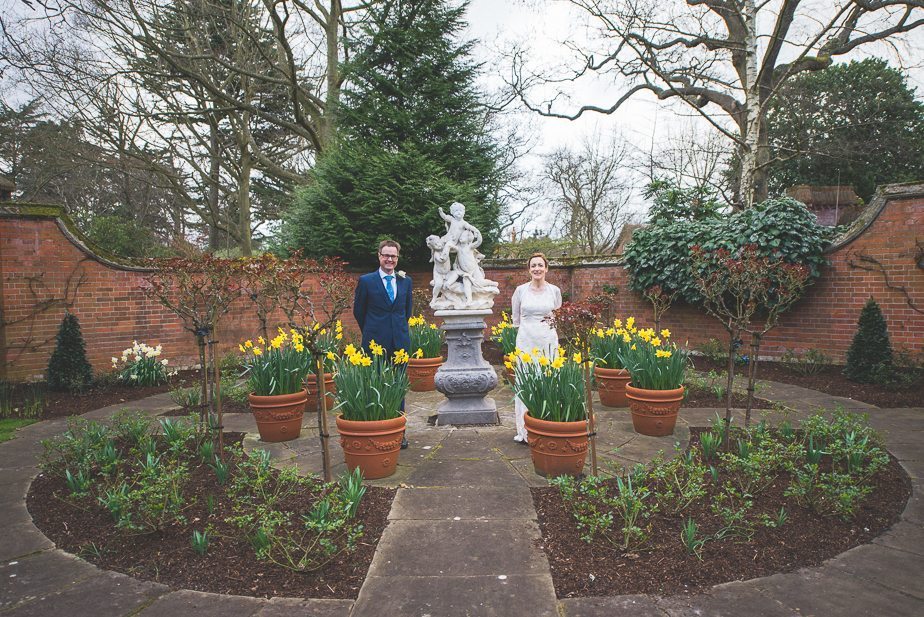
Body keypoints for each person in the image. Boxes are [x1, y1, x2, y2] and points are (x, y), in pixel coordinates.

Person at [353, 239, 413, 448]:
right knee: (375, 384)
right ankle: (377, 429)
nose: (390, 259)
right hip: (374, 343)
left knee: (398, 386)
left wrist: (398, 331)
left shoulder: (406, 281)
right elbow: (359, 312)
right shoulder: (367, 281)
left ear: (397, 258)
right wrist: (372, 332)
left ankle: (399, 432)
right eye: (386, 255)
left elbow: (407, 311)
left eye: (393, 256)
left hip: (400, 342)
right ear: (379, 256)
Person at [510, 252, 563, 444]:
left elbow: (557, 314)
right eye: (533, 266)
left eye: (540, 265)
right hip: (526, 340)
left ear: (546, 268)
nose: (537, 269)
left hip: (548, 340)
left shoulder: (554, 291)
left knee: (549, 379)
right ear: (529, 269)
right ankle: (525, 430)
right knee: (526, 381)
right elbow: (516, 319)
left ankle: (547, 423)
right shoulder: (520, 291)